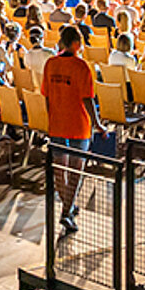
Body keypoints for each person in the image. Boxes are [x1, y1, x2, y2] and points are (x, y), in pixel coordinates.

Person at [39, 26, 101, 233]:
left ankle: (68, 206)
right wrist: (97, 123)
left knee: (59, 168)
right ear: (76, 44)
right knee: (76, 169)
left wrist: (51, 118)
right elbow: (88, 99)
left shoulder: (50, 63)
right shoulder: (81, 66)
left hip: (57, 121)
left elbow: (46, 95)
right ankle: (66, 212)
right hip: (78, 123)